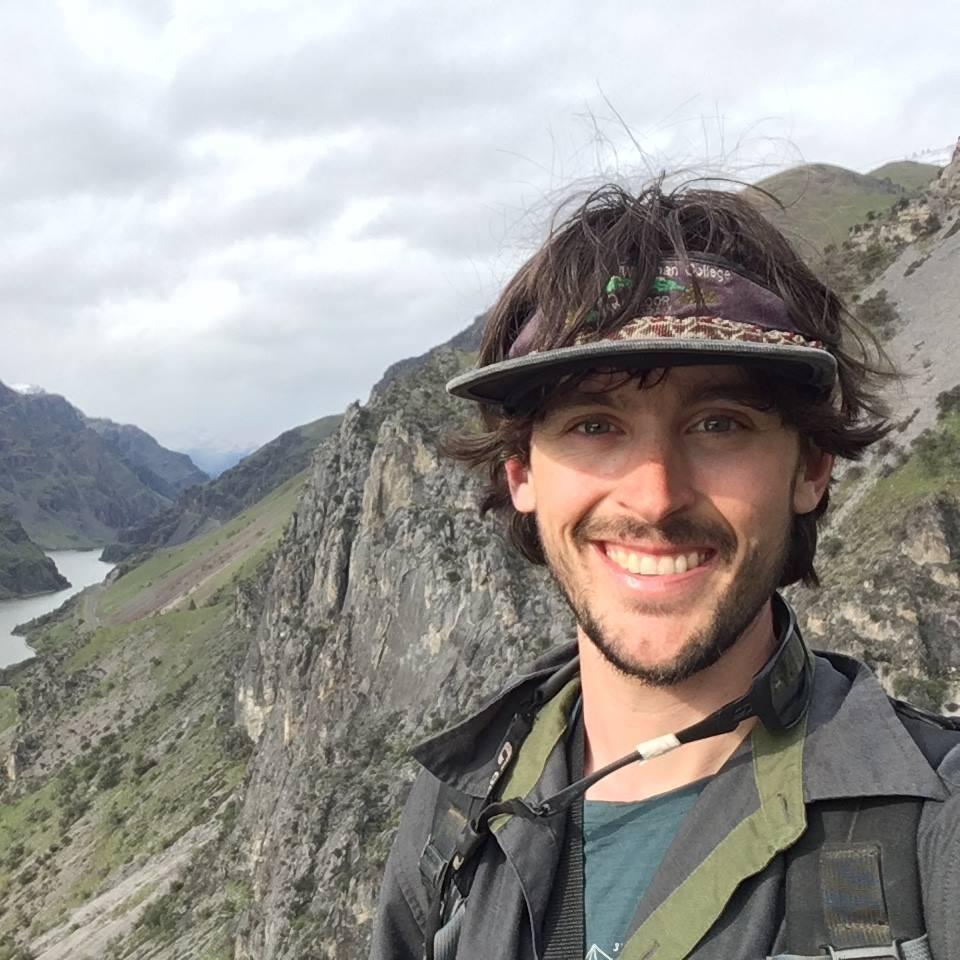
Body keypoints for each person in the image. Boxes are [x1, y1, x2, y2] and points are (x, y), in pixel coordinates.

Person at [369, 183, 960, 960]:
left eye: (719, 424)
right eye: (594, 425)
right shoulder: (456, 814)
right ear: (521, 473)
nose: (654, 496)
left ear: (810, 468)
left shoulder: (932, 825)